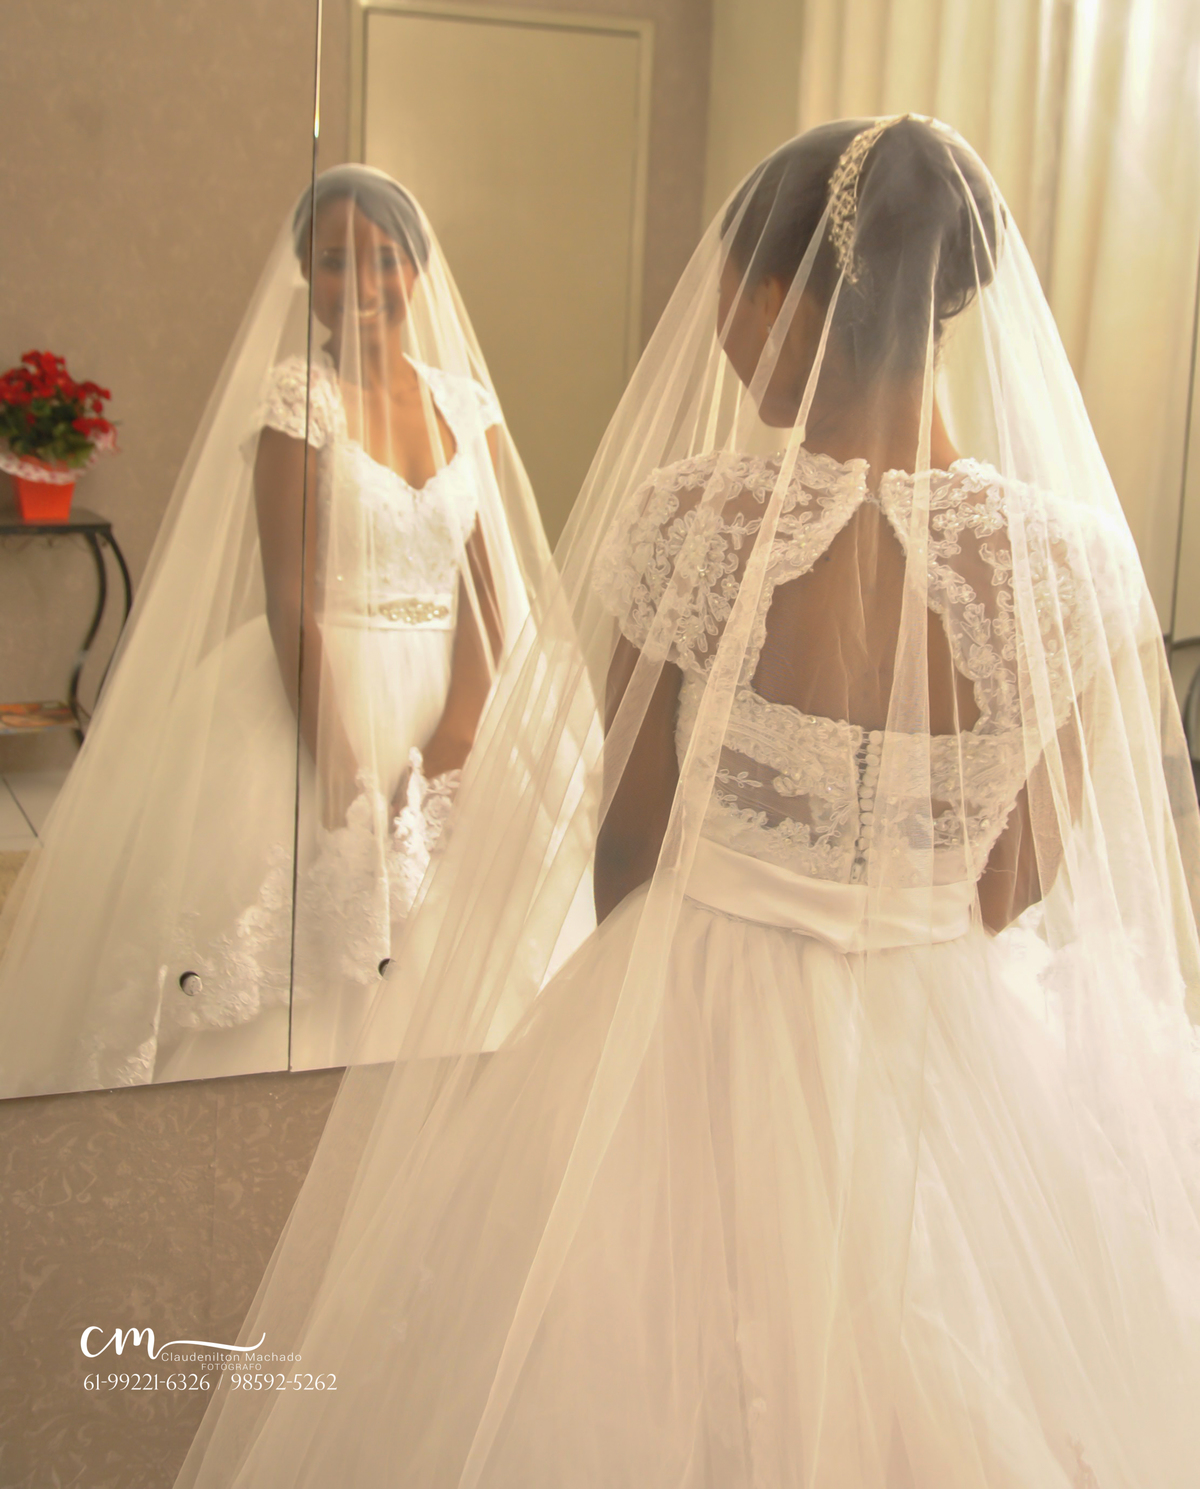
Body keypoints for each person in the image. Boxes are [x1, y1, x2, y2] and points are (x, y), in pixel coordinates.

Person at [176, 120, 1200, 1487]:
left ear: (775, 299)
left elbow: (630, 830)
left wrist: (639, 995)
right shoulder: (1072, 566)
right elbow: (1015, 884)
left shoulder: (693, 521)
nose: (716, 331)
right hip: (939, 1028)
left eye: (723, 293)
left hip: (695, 989)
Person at [0, 166, 549, 1092]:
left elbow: (490, 593)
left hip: (460, 692)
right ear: (304, 272)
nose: (361, 282)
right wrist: (342, 776)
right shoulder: (299, 399)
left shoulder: (469, 408)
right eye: (333, 261)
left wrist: (458, 740)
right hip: (322, 688)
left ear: (418, 268)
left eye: (384, 259)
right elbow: (291, 601)